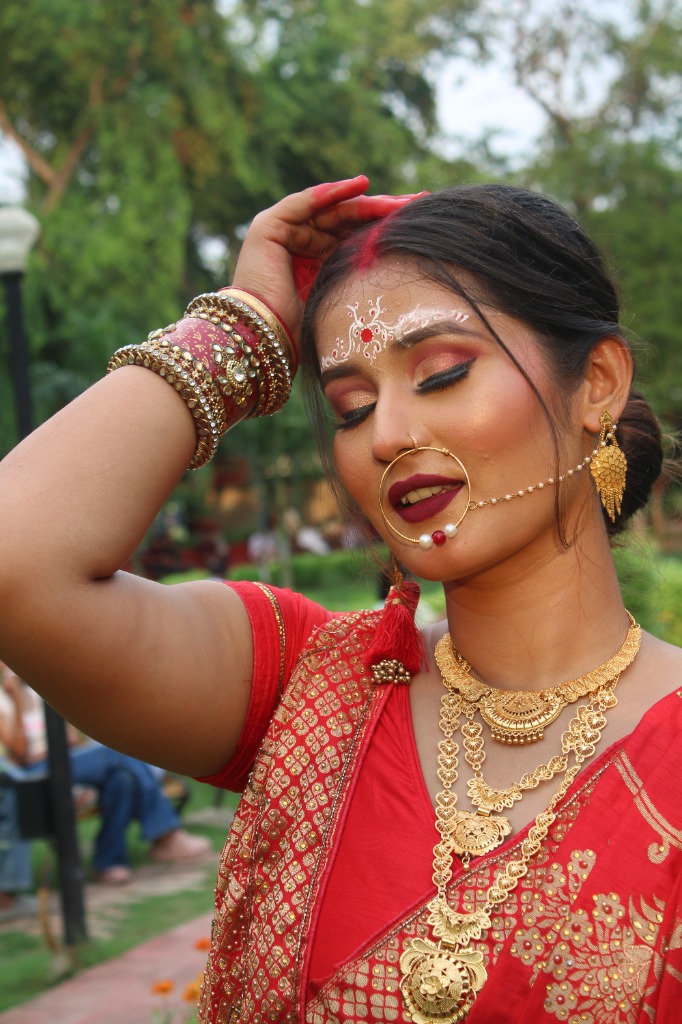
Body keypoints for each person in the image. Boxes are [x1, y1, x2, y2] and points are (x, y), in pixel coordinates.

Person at [0, 175, 679, 1021]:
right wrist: (242, 321)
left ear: (599, 383)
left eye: (441, 374)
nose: (388, 434)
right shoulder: (307, 690)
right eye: (352, 408)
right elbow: (16, 560)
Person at [0, 668, 210, 885]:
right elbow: (21, 755)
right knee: (113, 752)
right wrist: (16, 699)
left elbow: (71, 740)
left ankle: (108, 863)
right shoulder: (3, 701)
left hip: (66, 763)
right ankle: (165, 835)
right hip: (32, 778)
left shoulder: (38, 690)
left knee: (122, 780)